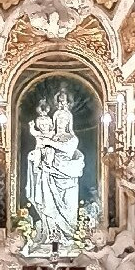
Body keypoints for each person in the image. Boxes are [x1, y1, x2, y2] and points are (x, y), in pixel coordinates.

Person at [25, 90, 85, 243]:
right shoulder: (50, 136)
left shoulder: (72, 138)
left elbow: (67, 149)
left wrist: (49, 143)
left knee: (69, 210)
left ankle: (69, 234)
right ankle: (51, 233)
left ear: (69, 121)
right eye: (58, 119)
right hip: (50, 177)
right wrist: (36, 155)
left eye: (64, 119)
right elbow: (40, 149)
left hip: (68, 179)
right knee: (49, 206)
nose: (61, 122)